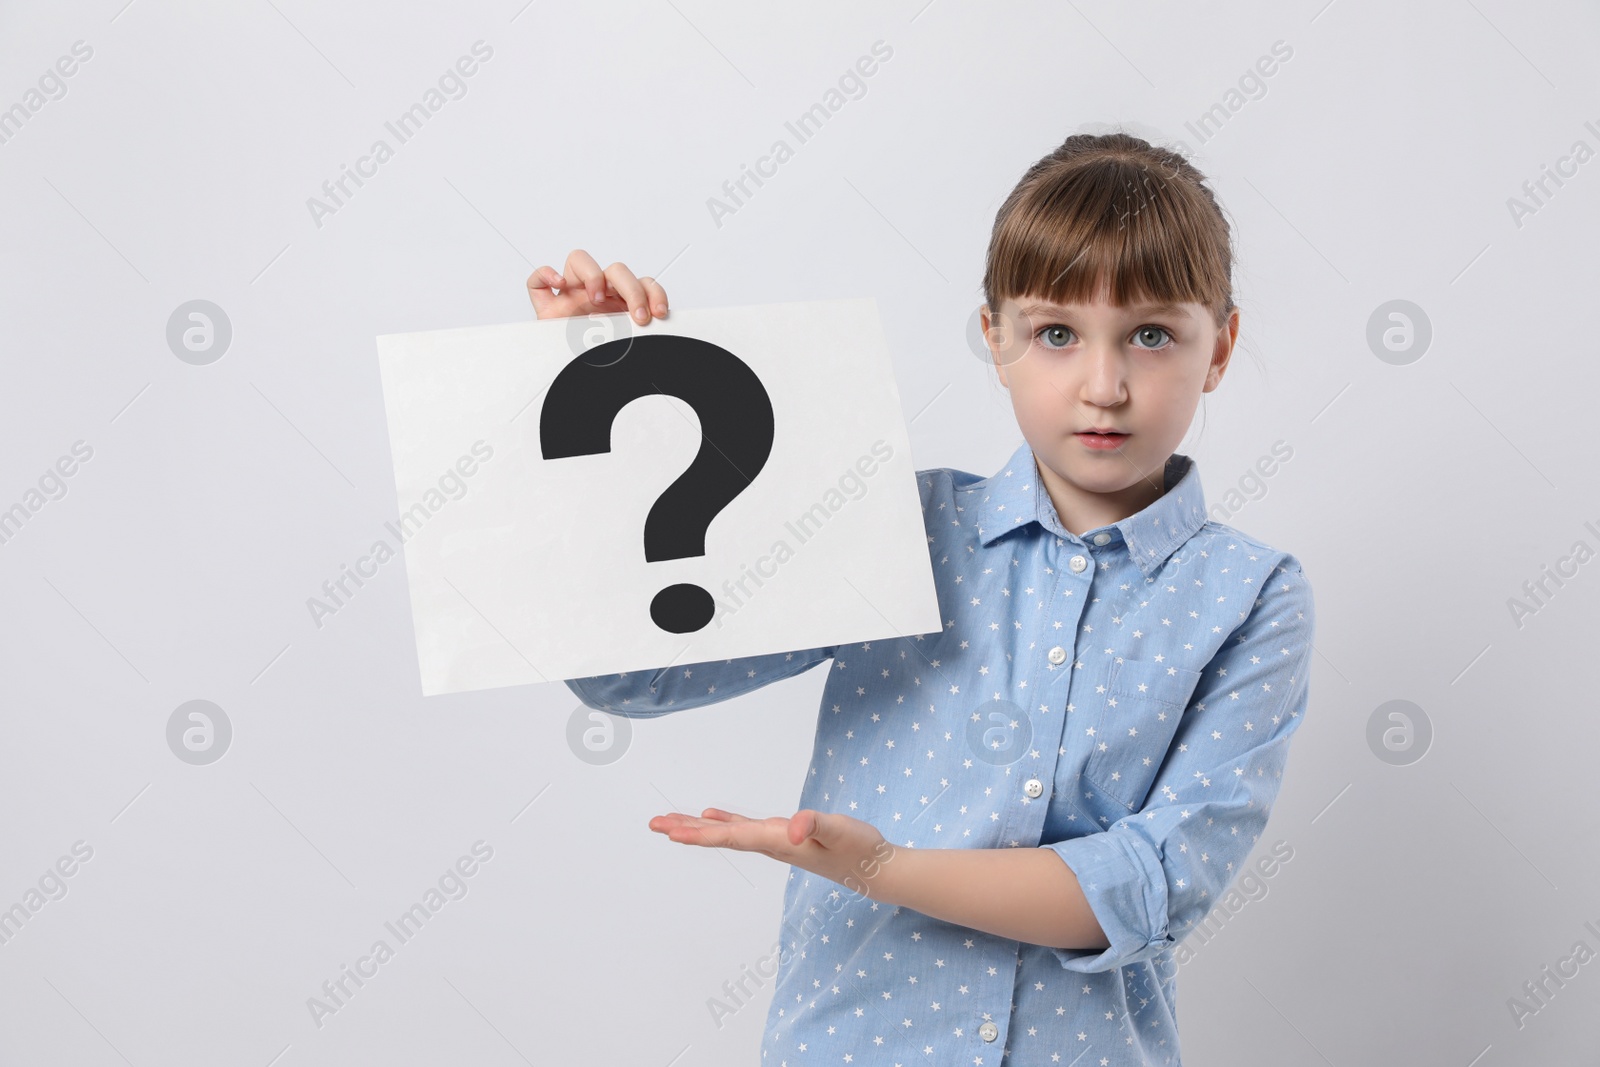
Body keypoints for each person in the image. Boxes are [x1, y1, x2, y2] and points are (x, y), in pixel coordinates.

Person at [535, 130, 1316, 1067]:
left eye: (1151, 335)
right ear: (995, 337)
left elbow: (1148, 888)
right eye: (1056, 333)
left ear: (1219, 345)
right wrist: (574, 387)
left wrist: (880, 868)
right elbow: (631, 677)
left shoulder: (1250, 595)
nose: (1103, 386)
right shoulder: (894, 526)